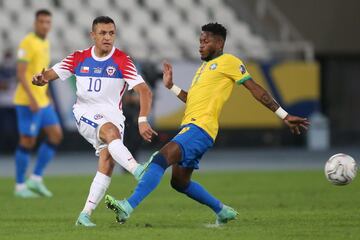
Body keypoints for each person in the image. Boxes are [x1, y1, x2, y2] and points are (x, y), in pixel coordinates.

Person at [104, 23, 310, 225]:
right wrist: (171, 86)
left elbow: (255, 89)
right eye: (200, 41)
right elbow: (192, 100)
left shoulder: (229, 61)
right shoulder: (203, 68)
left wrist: (284, 115)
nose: (200, 45)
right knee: (179, 182)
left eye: (206, 41)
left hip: (200, 128)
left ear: (219, 43)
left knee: (161, 158)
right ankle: (223, 211)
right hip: (193, 128)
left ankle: (127, 207)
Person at [32, 16, 157, 227]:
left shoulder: (122, 60)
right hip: (86, 112)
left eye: (111, 33)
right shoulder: (78, 58)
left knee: (107, 162)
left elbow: (144, 91)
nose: (107, 37)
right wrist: (41, 78)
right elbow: (50, 74)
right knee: (110, 133)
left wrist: (142, 119)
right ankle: (138, 170)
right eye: (102, 33)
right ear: (93, 35)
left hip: (115, 116)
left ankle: (85, 215)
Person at [13, 9, 63, 198]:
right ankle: (19, 186)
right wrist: (33, 99)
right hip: (27, 101)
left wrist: (47, 93)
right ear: (35, 23)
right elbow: (20, 73)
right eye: (41, 22)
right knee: (28, 141)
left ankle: (35, 178)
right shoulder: (27, 42)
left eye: (47, 22)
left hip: (43, 100)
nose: (44, 25)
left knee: (56, 135)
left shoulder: (45, 42)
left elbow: (43, 73)